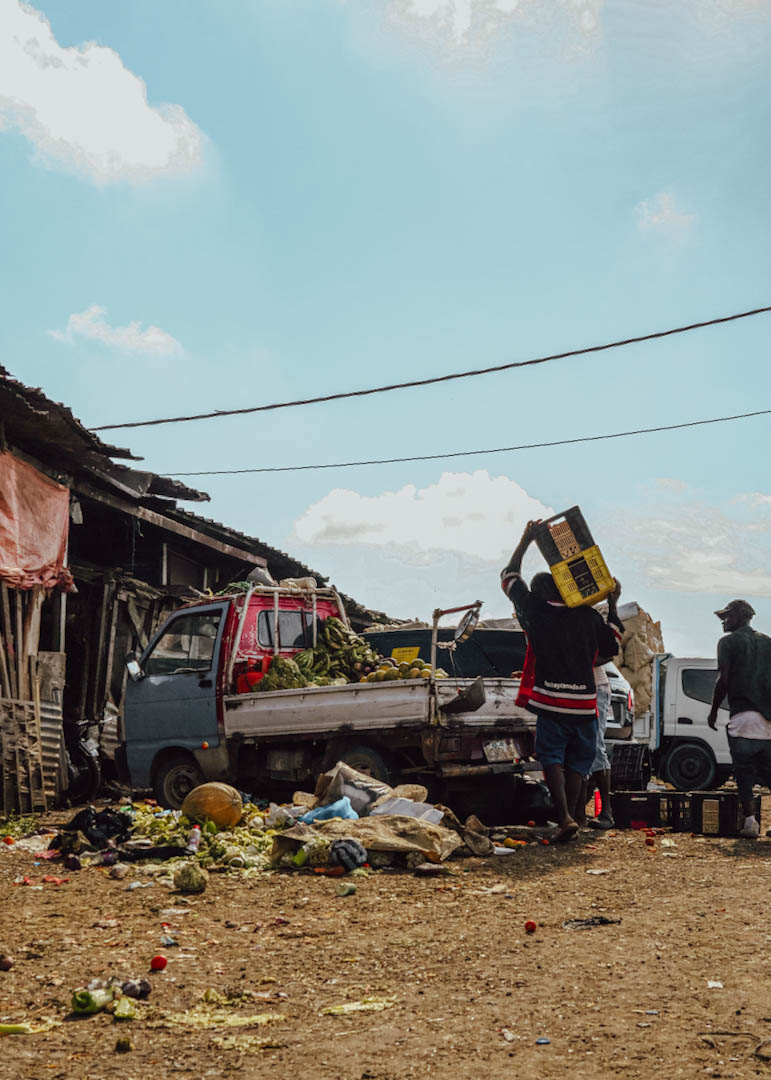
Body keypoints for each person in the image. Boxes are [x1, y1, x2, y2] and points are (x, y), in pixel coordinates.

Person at [501, 520, 623, 841]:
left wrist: (526, 539)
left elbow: (509, 576)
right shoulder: (587, 615)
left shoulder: (533, 612)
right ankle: (576, 817)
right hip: (584, 703)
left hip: (551, 701)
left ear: (540, 593)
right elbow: (613, 643)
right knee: (579, 763)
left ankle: (565, 817)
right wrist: (611, 602)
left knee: (552, 757)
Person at [707, 599, 771, 838]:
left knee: (744, 773)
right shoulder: (768, 642)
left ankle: (751, 823)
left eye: (727, 616)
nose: (723, 621)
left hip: (743, 719)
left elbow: (723, 680)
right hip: (767, 723)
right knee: (769, 773)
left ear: (742, 616)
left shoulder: (728, 642)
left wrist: (713, 710)